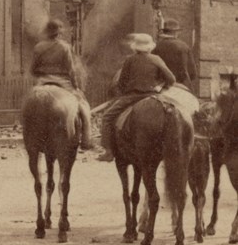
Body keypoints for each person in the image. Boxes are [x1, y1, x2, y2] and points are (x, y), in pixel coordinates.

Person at [97, 33, 176, 162]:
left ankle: (109, 151)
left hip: (132, 96)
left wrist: (124, 92)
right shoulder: (157, 59)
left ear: (135, 47)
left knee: (107, 117)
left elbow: (122, 82)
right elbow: (172, 79)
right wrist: (161, 87)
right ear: (150, 47)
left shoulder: (130, 60)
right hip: (153, 96)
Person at [30, 19, 94, 151]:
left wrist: (42, 75)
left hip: (42, 80)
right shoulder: (65, 47)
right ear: (59, 33)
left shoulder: (38, 47)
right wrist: (75, 86)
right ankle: (87, 139)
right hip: (62, 81)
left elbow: (33, 70)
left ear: (47, 32)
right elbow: (70, 69)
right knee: (83, 105)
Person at [153, 18, 195, 92]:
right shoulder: (184, 46)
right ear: (176, 32)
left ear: (164, 32)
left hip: (160, 86)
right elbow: (192, 73)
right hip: (180, 85)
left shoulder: (156, 46)